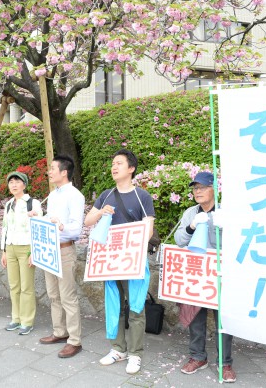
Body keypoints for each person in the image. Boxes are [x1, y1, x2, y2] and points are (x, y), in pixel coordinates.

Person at [84, 149, 155, 374]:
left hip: (133, 260)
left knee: (135, 307)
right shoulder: (106, 194)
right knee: (115, 304)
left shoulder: (141, 196)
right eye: (113, 163)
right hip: (110, 261)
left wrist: (135, 253)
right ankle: (118, 349)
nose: (114, 167)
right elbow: (88, 221)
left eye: (119, 163)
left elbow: (148, 227)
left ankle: (135, 353)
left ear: (131, 169)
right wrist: (100, 212)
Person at [173, 171, 236, 383]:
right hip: (197, 273)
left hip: (221, 272)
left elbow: (239, 243)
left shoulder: (227, 212)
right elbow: (179, 240)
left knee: (223, 321)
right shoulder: (191, 212)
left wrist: (227, 227)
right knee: (195, 317)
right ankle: (197, 356)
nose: (197, 191)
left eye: (202, 187)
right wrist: (191, 227)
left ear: (214, 189)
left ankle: (224, 362)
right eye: (195, 188)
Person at [38, 155, 85, 358]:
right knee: (53, 294)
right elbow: (50, 221)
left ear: (64, 172)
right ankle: (59, 331)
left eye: (53, 168)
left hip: (65, 249)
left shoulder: (75, 195)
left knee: (68, 297)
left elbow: (76, 229)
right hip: (49, 248)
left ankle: (74, 340)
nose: (49, 171)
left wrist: (62, 226)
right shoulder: (54, 194)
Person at [0, 171, 43, 335]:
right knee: (14, 285)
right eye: (11, 182)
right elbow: (5, 228)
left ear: (24, 185)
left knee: (27, 286)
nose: (14, 185)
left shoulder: (33, 203)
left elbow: (39, 228)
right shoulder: (9, 204)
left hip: (26, 248)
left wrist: (34, 252)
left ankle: (27, 321)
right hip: (10, 247)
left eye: (17, 182)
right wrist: (3, 251)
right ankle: (16, 318)